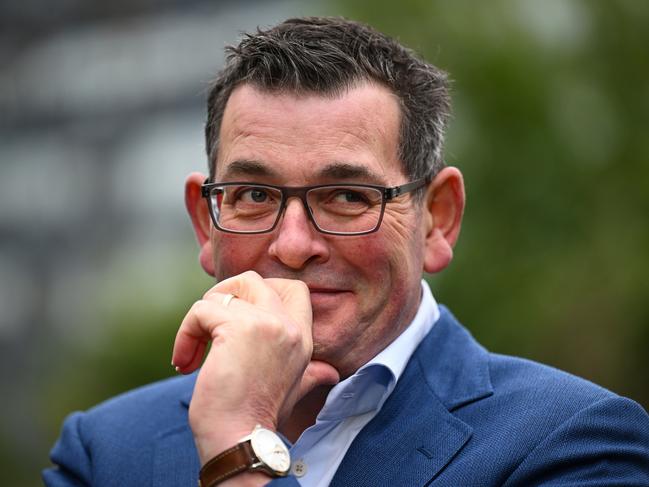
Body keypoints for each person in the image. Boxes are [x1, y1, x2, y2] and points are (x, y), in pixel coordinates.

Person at [43, 16, 649, 487]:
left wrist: (238, 448)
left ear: (437, 219)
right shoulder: (103, 452)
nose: (294, 244)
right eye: (255, 194)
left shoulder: (571, 445)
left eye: (345, 196)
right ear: (207, 223)